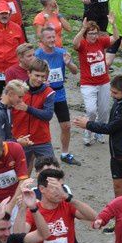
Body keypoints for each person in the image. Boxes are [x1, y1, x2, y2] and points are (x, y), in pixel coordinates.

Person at [73, 75, 122, 198]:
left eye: (115, 93)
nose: (112, 95)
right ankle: (121, 215)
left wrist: (87, 124)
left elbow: (109, 128)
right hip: (116, 154)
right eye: (111, 91)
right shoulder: (118, 102)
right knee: (118, 188)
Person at [35, 26, 80, 165]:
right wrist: (42, 82)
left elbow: (75, 71)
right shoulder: (37, 55)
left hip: (59, 94)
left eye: (54, 36)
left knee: (66, 126)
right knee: (41, 126)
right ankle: (41, 154)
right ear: (42, 40)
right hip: (43, 94)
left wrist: (68, 63)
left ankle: (65, 154)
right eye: (49, 37)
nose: (52, 39)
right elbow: (31, 76)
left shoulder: (62, 53)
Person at [73, 16, 119, 146]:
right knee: (91, 110)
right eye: (91, 33)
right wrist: (83, 29)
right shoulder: (82, 44)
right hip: (88, 83)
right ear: (86, 34)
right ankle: (88, 131)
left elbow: (115, 38)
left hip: (103, 81)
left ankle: (99, 131)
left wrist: (113, 24)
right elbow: (74, 43)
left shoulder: (101, 41)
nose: (94, 36)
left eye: (95, 33)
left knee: (104, 111)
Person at [11, 59, 56, 174]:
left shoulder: (49, 92)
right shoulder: (17, 90)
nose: (40, 79)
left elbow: (48, 115)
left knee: (50, 173)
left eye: (43, 76)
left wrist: (27, 108)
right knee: (18, 175)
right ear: (29, 73)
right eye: (37, 75)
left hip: (42, 139)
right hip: (20, 139)